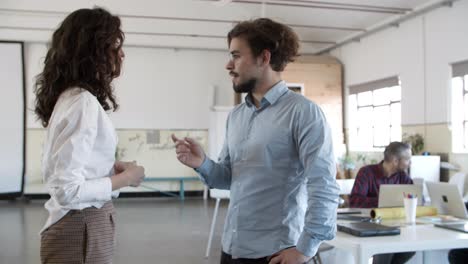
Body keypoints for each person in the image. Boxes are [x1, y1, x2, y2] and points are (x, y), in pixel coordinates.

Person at [172, 18, 339, 264]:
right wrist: (203, 163)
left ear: (264, 58)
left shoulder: (303, 113)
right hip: (233, 247)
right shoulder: (237, 116)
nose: (229, 65)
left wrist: (306, 248)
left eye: (236, 55)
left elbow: (323, 185)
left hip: (278, 252)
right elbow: (230, 178)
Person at [34, 8, 145, 264]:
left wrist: (110, 168)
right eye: (115, 45)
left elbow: (73, 170)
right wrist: (128, 177)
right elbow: (68, 190)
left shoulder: (73, 97)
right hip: (80, 225)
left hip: (83, 224)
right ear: (93, 50)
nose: (121, 53)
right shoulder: (81, 102)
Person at [349, 142, 415, 264]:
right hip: (370, 225)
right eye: (407, 159)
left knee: (412, 246)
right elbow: (354, 201)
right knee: (386, 247)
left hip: (397, 225)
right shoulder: (366, 172)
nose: (410, 163)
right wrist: (383, 201)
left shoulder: (403, 177)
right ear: (395, 161)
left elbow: (413, 198)